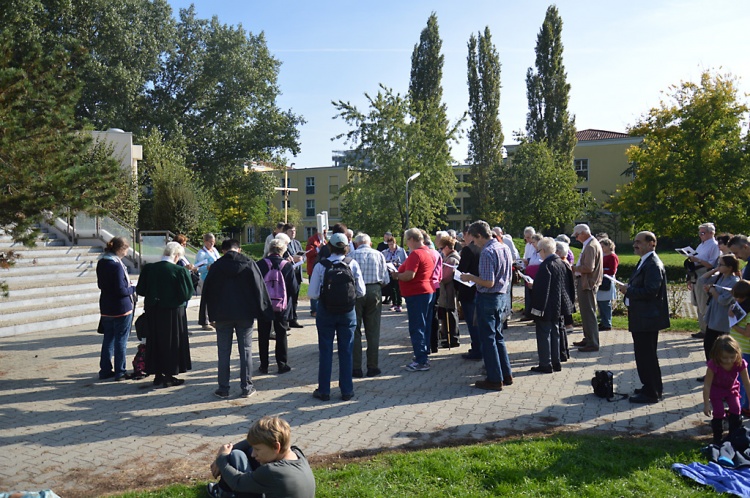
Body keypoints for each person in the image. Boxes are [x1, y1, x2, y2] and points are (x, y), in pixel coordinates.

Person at [202, 239, 273, 399]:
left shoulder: (216, 267)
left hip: (222, 315)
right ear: (239, 249)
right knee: (246, 351)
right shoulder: (249, 263)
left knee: (223, 352)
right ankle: (246, 387)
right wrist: (263, 311)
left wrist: (209, 315)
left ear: (223, 250)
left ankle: (223, 388)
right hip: (245, 314)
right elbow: (259, 288)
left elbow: (209, 292)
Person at [307, 232, 365, 401]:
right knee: (346, 350)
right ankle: (346, 390)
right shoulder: (352, 263)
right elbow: (361, 291)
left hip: (326, 311)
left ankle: (324, 390)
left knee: (325, 350)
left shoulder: (321, 265)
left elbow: (312, 293)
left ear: (329, 246)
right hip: (347, 312)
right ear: (346, 247)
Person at [617, 231, 670, 403]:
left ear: (651, 243)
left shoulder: (653, 264)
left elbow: (651, 291)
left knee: (646, 355)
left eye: (639, 242)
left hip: (648, 318)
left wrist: (629, 291)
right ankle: (649, 386)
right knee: (643, 355)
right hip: (642, 316)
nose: (635, 245)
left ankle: (652, 392)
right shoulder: (645, 261)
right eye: (634, 241)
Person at [460, 220, 513, 391]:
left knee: (488, 339)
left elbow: (488, 282)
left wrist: (470, 278)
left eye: (475, 240)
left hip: (488, 298)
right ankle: (506, 374)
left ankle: (494, 378)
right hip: (502, 297)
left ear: (479, 236)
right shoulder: (503, 247)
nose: (474, 244)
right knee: (498, 337)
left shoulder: (487, 252)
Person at [208, 416, 316, 498]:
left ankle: (222, 492)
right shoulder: (297, 453)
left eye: (257, 449)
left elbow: (237, 482)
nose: (253, 454)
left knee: (236, 456)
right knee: (244, 451)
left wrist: (222, 458)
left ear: (276, 446)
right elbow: (250, 443)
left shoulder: (273, 471)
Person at [136, 242, 194, 388]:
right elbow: (186, 294)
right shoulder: (179, 271)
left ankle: (157, 375)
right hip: (172, 312)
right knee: (171, 343)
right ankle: (169, 375)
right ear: (176, 256)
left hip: (153, 310)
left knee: (154, 341)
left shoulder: (149, 268)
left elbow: (141, 290)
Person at [390, 228, 441, 372]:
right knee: (425, 325)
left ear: (412, 239)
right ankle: (423, 354)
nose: (406, 243)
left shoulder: (416, 254)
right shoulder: (428, 252)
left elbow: (409, 275)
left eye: (407, 240)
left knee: (417, 326)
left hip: (417, 293)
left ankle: (421, 360)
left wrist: (397, 275)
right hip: (427, 291)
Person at [527, 237, 575, 373]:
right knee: (555, 334)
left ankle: (545, 364)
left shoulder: (546, 265)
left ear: (542, 250)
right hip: (559, 305)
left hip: (546, 305)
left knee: (544, 334)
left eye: (538, 251)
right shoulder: (562, 262)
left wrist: (533, 287)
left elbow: (542, 289)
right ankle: (556, 361)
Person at [96, 236, 136, 381]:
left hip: (106, 306)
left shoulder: (102, 262)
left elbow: (101, 284)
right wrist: (132, 289)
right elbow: (121, 289)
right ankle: (120, 371)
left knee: (108, 339)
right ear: (121, 249)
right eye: (126, 250)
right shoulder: (116, 265)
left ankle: (105, 370)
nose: (127, 253)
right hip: (121, 307)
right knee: (121, 340)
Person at [350, 233, 390, 378]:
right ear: (370, 243)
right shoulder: (379, 255)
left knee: (355, 329)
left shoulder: (352, 255)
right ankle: (373, 366)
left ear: (356, 243)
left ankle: (356, 367)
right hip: (374, 290)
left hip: (356, 292)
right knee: (373, 330)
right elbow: (385, 278)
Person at [257, 238, 298, 375]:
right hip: (282, 304)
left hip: (264, 305)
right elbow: (294, 288)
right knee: (281, 334)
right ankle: (282, 364)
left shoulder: (260, 264)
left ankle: (264, 365)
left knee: (263, 334)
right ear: (283, 250)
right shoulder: (287, 266)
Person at [702, 336, 750, 445]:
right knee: (718, 411)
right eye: (725, 358)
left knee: (736, 407)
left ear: (737, 354)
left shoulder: (740, 363)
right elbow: (707, 385)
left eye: (732, 357)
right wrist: (706, 404)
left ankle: (734, 435)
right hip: (716, 389)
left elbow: (747, 383)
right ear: (717, 355)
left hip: (731, 389)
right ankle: (717, 438)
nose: (729, 361)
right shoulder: (713, 365)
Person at [701, 254, 741, 368]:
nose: (719, 266)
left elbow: (723, 300)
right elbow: (702, 279)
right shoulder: (719, 277)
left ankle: (720, 371)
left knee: (719, 347)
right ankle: (712, 369)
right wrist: (715, 269)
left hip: (722, 318)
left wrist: (713, 291)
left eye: (721, 264)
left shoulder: (733, 281)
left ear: (730, 267)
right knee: (708, 345)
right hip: (713, 315)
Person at [571, 224, 603, 353]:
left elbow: (588, 268)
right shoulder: (590, 244)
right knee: (586, 313)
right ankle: (588, 338)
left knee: (589, 313)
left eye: (577, 235)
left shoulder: (590, 246)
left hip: (587, 284)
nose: (576, 238)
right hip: (587, 283)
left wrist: (573, 268)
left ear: (584, 233)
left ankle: (592, 342)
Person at [688, 223, 721, 339]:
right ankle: (702, 329)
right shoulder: (701, 245)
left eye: (703, 233)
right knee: (697, 302)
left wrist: (697, 260)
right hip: (696, 274)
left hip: (705, 273)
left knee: (704, 303)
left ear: (711, 233)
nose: (701, 235)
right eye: (700, 233)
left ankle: (708, 330)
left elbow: (712, 264)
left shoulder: (714, 245)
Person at [457, 228, 483, 361]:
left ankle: (477, 349)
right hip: (480, 288)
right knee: (477, 322)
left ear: (469, 235)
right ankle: (479, 348)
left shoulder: (468, 250)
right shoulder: (482, 248)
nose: (463, 239)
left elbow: (462, 270)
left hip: (468, 289)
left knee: (472, 323)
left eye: (464, 236)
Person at [729, 280, 750, 417]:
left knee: (743, 380)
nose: (737, 300)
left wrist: (733, 324)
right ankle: (744, 406)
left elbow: (747, 333)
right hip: (737, 347)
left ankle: (742, 408)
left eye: (739, 297)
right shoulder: (741, 306)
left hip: (745, 350)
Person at [437, 235, 460, 348]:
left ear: (446, 247)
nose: (441, 251)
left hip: (449, 292)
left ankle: (452, 338)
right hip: (447, 291)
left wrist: (438, 277)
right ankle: (448, 336)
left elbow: (446, 277)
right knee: (447, 314)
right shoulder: (449, 257)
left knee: (450, 314)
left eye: (441, 248)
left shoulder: (452, 259)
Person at [196, 233, 221, 331]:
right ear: (205, 242)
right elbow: (197, 268)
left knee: (214, 300)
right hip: (205, 278)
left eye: (213, 242)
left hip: (215, 278)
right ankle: (204, 321)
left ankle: (213, 319)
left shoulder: (214, 250)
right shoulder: (201, 253)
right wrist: (207, 267)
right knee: (206, 300)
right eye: (210, 242)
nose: (212, 244)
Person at [283, 223, 305, 328]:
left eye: (295, 231)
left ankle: (293, 319)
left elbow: (303, 255)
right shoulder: (283, 244)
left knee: (295, 298)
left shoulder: (297, 243)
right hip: (288, 274)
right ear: (285, 232)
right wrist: (292, 258)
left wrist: (301, 258)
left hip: (297, 273)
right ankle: (286, 320)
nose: (293, 233)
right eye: (291, 231)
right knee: (288, 298)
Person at [596, 238, 619, 331]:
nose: (601, 248)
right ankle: (603, 321)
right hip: (602, 280)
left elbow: (612, 270)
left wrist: (601, 270)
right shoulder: (604, 255)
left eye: (603, 246)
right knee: (601, 303)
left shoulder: (612, 257)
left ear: (608, 246)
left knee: (605, 303)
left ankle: (607, 323)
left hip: (608, 280)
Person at [382, 237, 407, 312]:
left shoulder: (401, 250)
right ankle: (394, 303)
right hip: (390, 272)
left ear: (395, 243)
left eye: (392, 244)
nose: (390, 246)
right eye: (389, 244)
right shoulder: (385, 252)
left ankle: (399, 304)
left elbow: (405, 261)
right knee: (391, 288)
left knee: (398, 288)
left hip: (399, 271)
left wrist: (398, 264)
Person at [305, 228, 326, 317]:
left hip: (323, 268)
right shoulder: (312, 240)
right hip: (313, 269)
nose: (325, 233)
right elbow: (308, 253)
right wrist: (318, 248)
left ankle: (321, 309)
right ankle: (314, 310)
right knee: (314, 288)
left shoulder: (326, 240)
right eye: (324, 231)